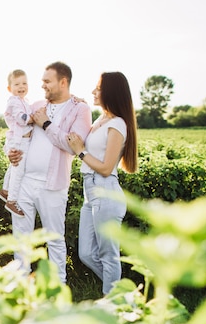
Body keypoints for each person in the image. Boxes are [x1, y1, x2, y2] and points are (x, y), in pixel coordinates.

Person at [7, 61, 91, 284]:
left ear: (63, 82)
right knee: (21, 238)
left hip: (53, 186)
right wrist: (11, 152)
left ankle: (57, 288)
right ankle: (21, 288)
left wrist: (46, 123)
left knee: (54, 238)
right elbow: (16, 130)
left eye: (47, 81)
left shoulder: (80, 109)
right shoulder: (34, 105)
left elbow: (73, 144)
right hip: (25, 182)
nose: (42, 85)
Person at [67, 71, 138, 295]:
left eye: (98, 88)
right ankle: (123, 295)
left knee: (109, 256)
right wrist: (78, 105)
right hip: (91, 193)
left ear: (110, 92)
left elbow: (107, 168)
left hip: (106, 192)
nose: (93, 91)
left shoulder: (117, 124)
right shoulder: (102, 119)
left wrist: (80, 152)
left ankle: (113, 306)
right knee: (86, 253)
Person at [0, 69, 33, 217]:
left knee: (13, 167)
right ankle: (12, 201)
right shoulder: (14, 101)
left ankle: (5, 191)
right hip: (19, 140)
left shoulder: (24, 101)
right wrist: (32, 119)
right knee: (19, 170)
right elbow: (20, 118)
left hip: (19, 139)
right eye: (17, 84)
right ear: (9, 88)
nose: (21, 86)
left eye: (24, 83)